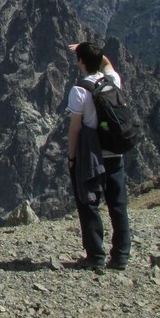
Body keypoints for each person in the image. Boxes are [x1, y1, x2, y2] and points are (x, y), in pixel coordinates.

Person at [66, 42, 131, 271]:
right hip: (115, 152)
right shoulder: (112, 82)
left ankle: (95, 255)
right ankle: (121, 256)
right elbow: (108, 64)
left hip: (91, 155)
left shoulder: (79, 91)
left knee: (89, 203)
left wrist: (72, 158)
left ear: (80, 62)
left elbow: (75, 128)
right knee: (118, 205)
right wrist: (94, 53)